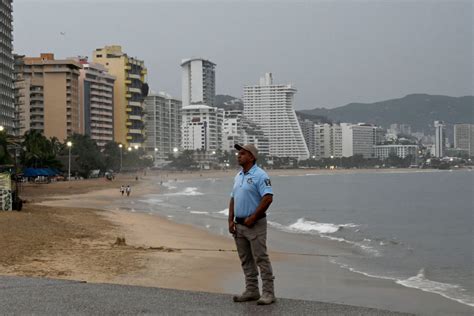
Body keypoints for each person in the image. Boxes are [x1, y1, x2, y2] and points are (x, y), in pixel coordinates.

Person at [228, 143, 275, 305]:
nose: (238, 156)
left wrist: (253, 217)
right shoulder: (238, 175)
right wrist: (230, 220)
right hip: (239, 225)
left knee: (261, 258)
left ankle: (268, 293)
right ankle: (252, 290)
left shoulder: (261, 175)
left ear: (252, 157)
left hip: (255, 225)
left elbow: (268, 198)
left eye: (242, 153)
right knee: (245, 259)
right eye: (238, 153)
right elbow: (233, 198)